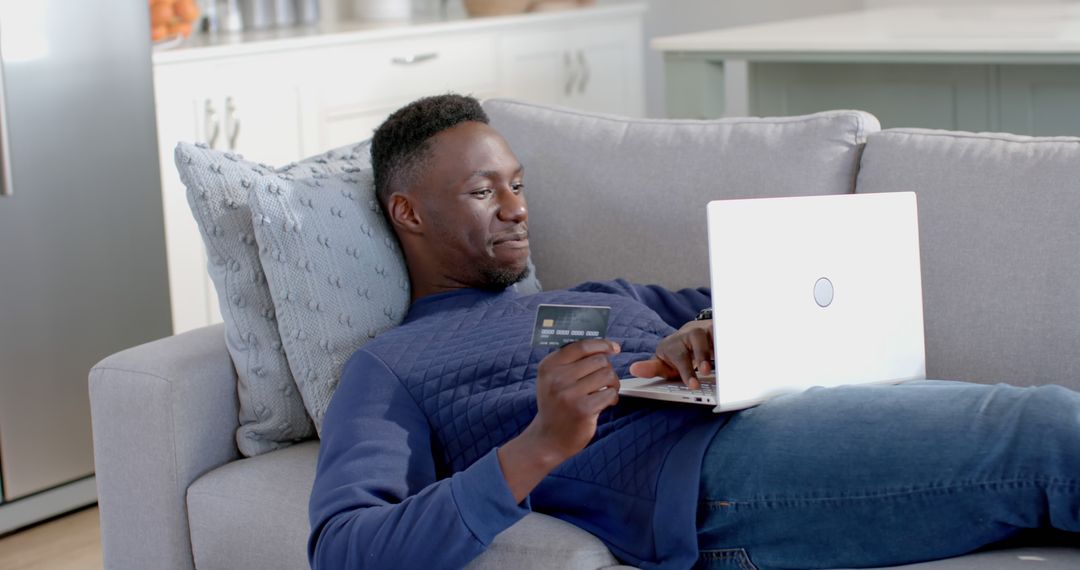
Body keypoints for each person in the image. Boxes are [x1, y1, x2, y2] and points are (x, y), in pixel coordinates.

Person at [307, 94, 1080, 570]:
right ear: (408, 213)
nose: (516, 208)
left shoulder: (597, 293)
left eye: (517, 184)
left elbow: (741, 296)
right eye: (482, 191)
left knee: (1047, 445)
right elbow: (345, 548)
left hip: (776, 411)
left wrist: (704, 331)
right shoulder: (391, 367)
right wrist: (540, 444)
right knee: (1046, 431)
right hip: (714, 484)